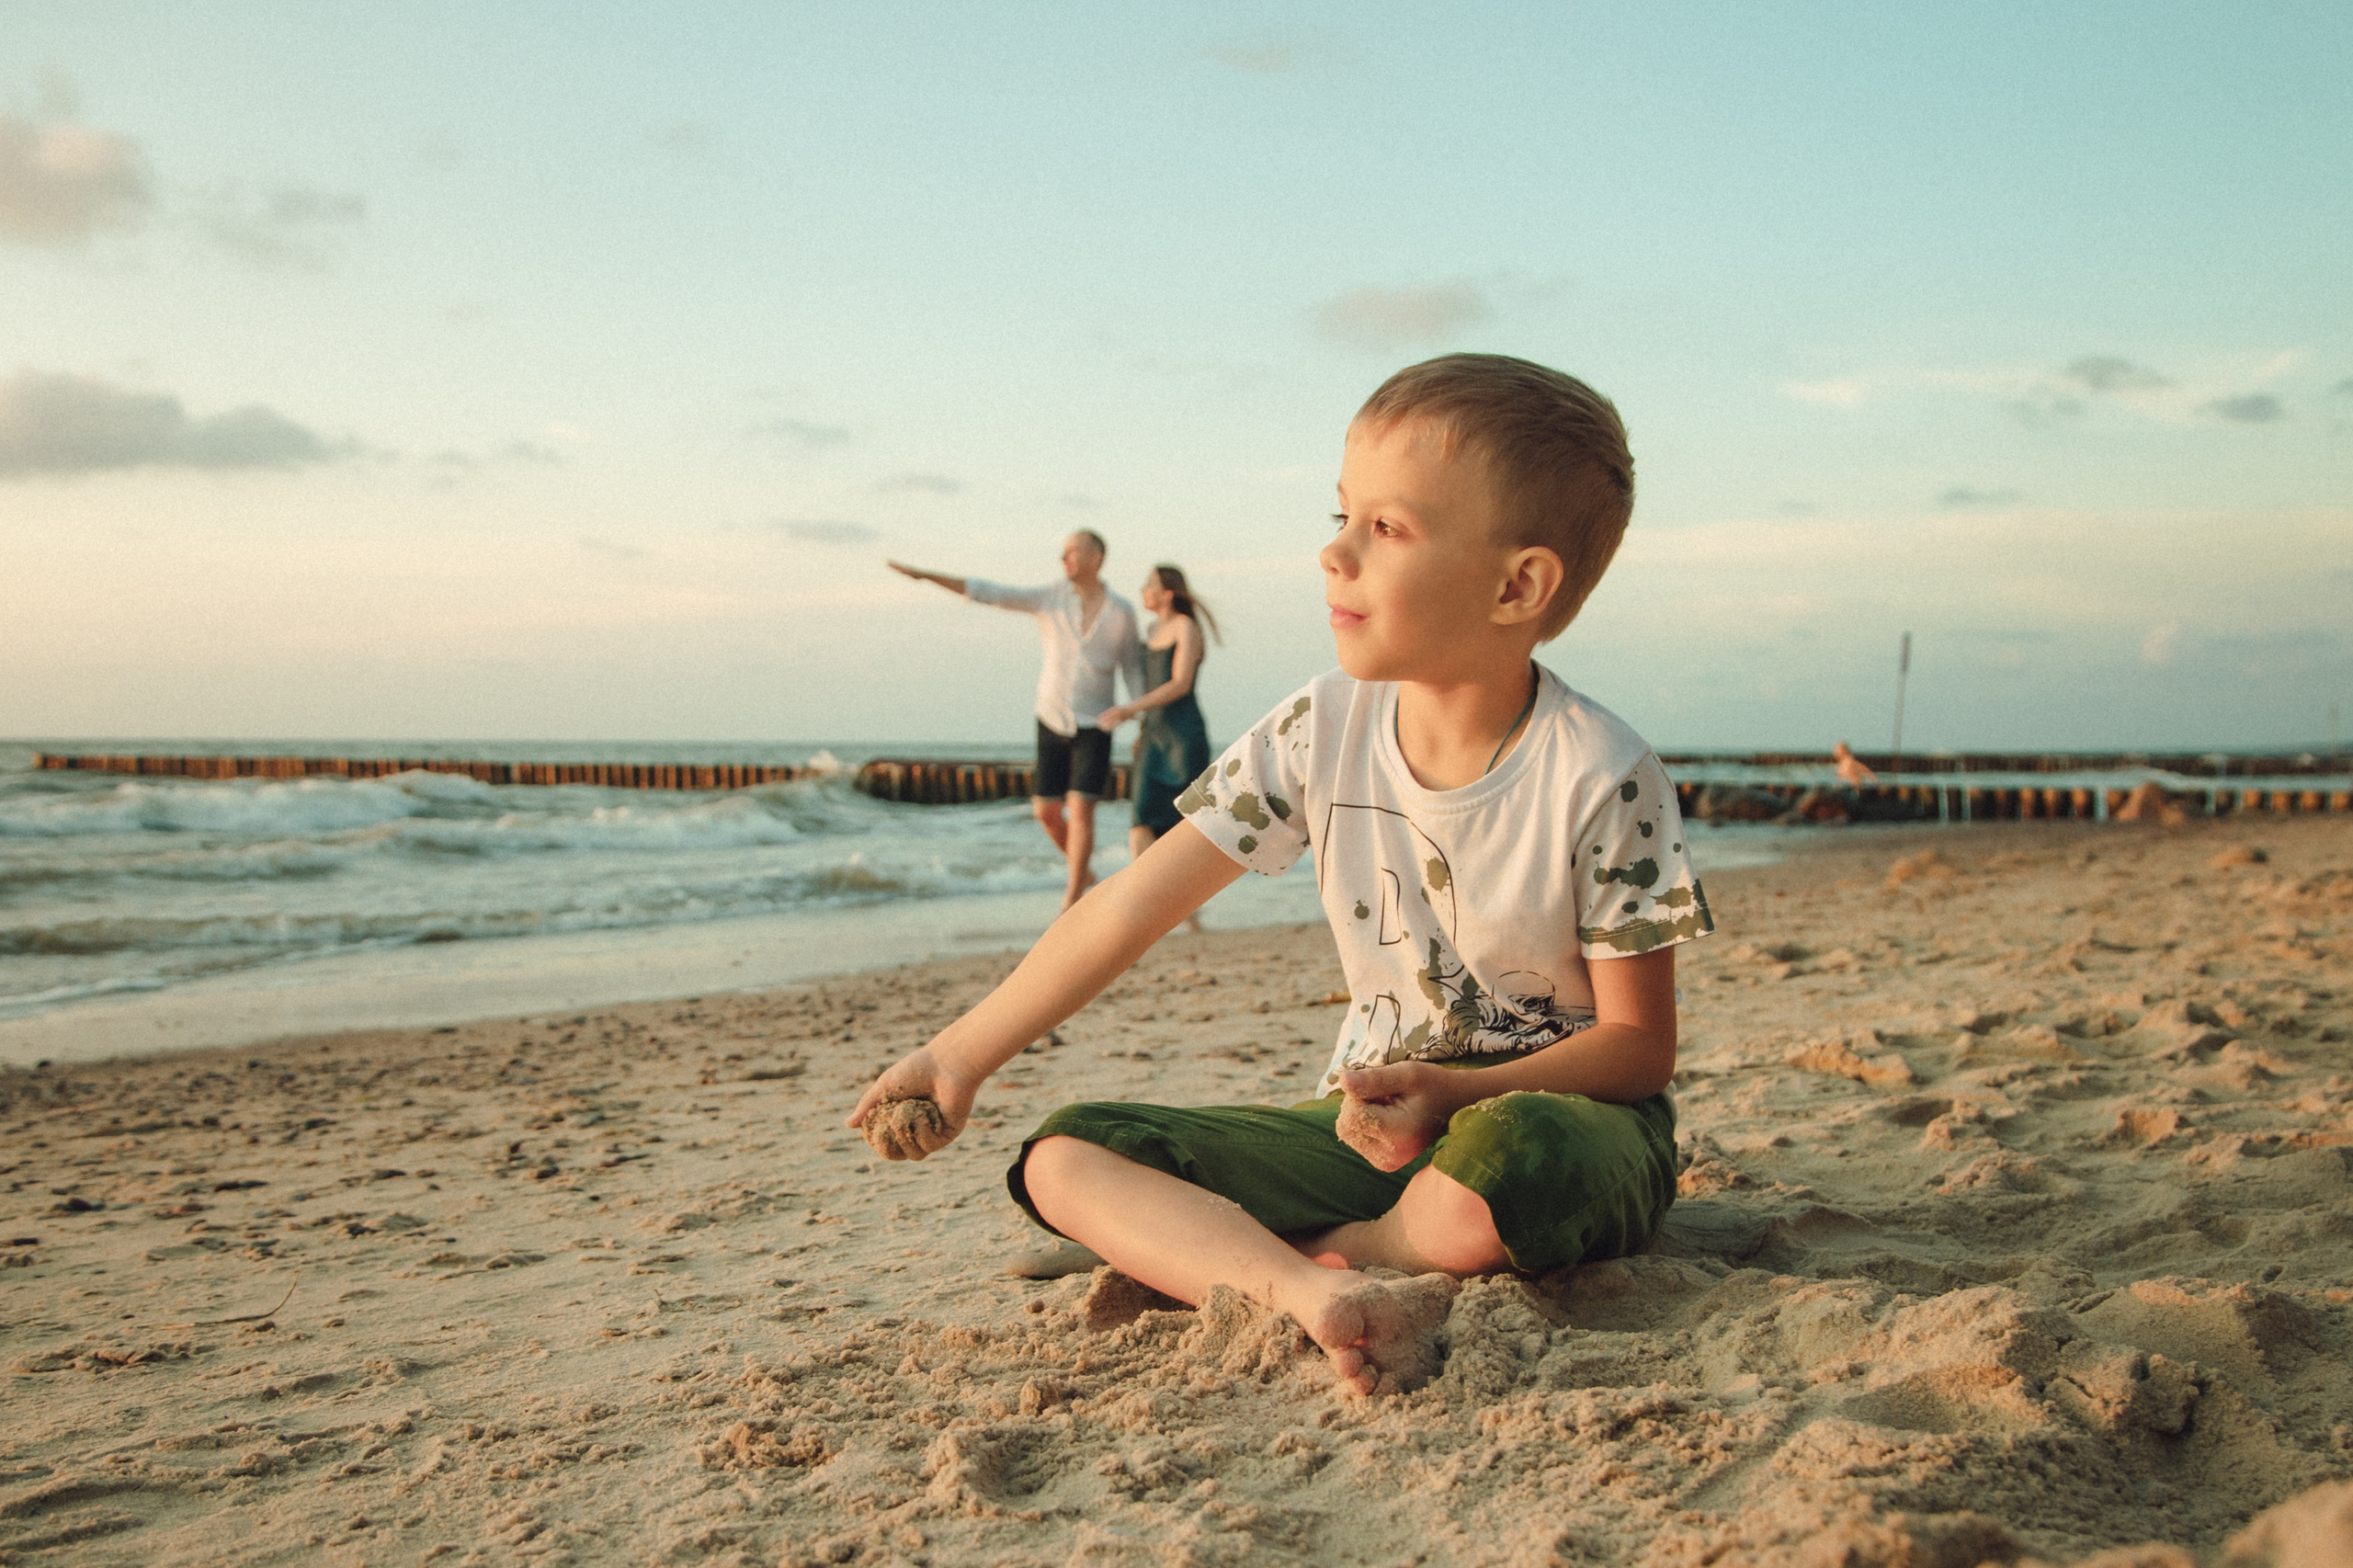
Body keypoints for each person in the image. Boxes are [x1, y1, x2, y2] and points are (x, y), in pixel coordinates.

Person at [851, 354, 1714, 1397]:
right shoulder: (1321, 728)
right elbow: (1131, 903)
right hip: (1365, 1123)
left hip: (1552, 1121)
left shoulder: (1599, 770)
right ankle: (1311, 1288)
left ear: (1516, 583)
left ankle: (1296, 1247)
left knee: (1499, 1170)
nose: (1333, 551)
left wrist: (1453, 1088)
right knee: (1065, 1157)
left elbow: (1638, 1048)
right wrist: (959, 1053)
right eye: (1341, 515)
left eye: (1386, 528)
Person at [889, 532, 1145, 909]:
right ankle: (1084, 872)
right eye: (1063, 553)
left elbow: (1133, 672)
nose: (1064, 559)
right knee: (1045, 811)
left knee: (1082, 809)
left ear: (1097, 557)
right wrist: (926, 576)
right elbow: (990, 592)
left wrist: (1138, 717)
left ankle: (1073, 893)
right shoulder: (1051, 598)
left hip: (1097, 722)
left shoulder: (1121, 611)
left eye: (1073, 552)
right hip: (1051, 716)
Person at [1096, 565, 1219, 906]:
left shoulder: (1186, 627)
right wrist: (1140, 723)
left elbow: (1180, 684)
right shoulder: (1150, 631)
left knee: (1182, 829)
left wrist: (1128, 710)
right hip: (1152, 736)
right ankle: (1149, 903)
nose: (1142, 591)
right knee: (1140, 821)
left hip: (1183, 736)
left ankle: (1184, 903)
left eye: (1149, 585)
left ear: (1167, 593)